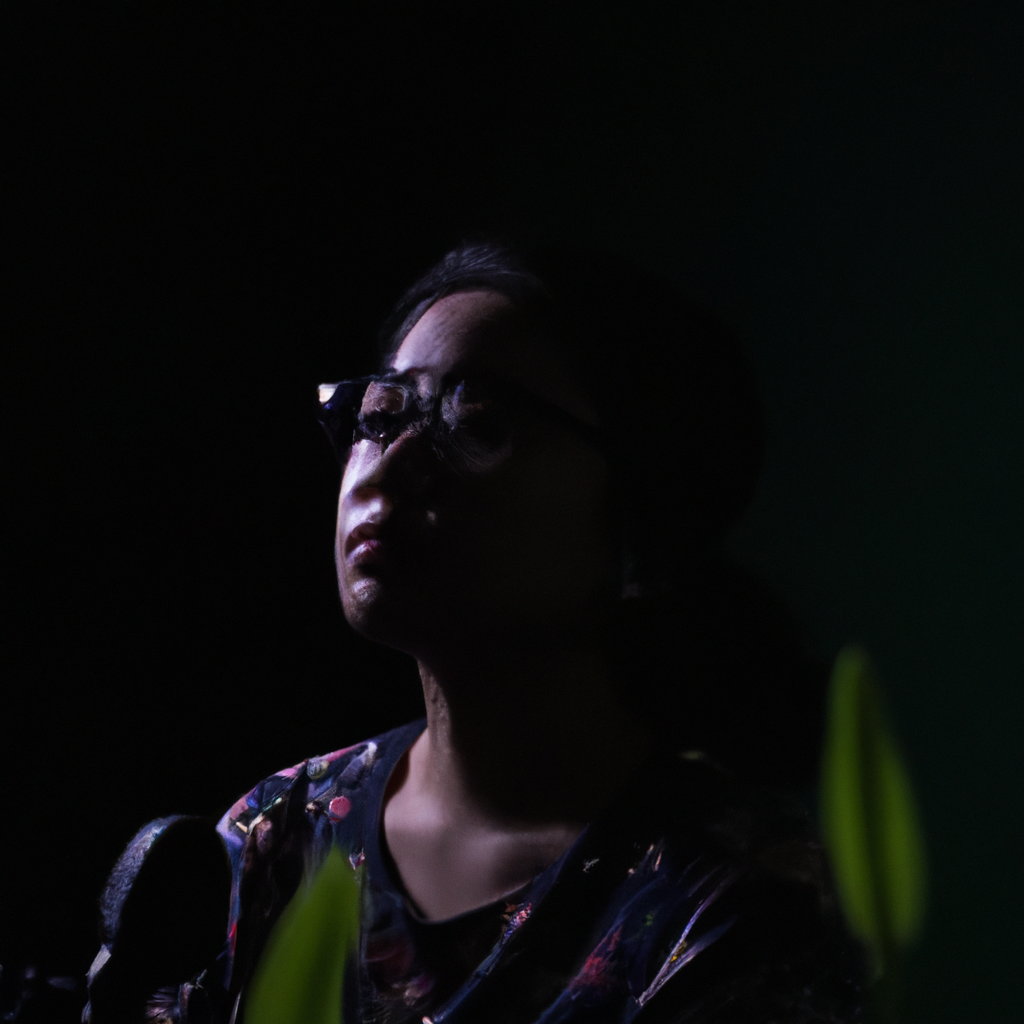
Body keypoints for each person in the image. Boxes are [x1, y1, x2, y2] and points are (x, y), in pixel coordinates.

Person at [85, 242, 864, 1023]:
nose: (385, 466)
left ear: (643, 532)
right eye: (381, 415)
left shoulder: (739, 903)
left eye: (476, 421)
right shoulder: (277, 834)